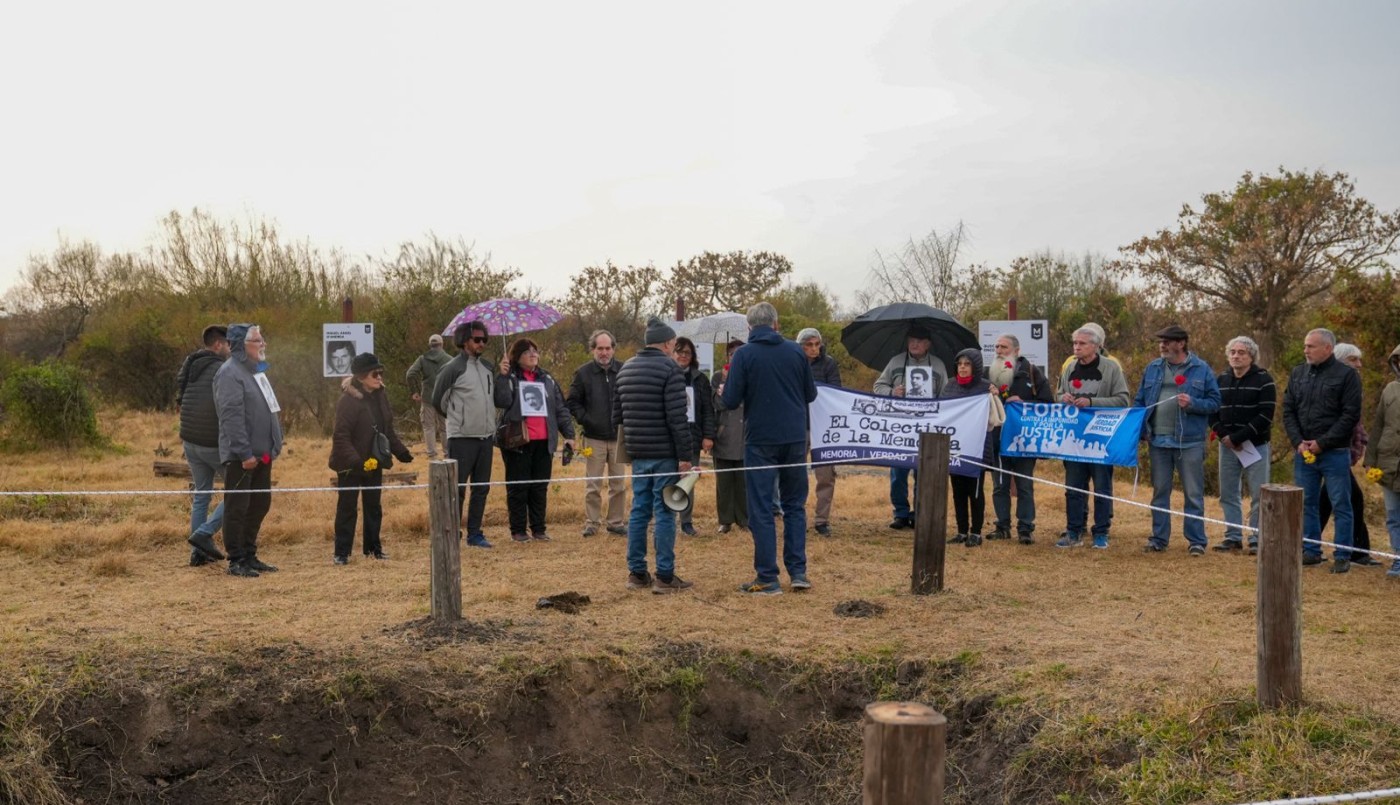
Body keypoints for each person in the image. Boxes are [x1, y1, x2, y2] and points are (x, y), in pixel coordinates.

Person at [721, 302, 818, 595]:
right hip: (794, 438)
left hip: (760, 440)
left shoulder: (744, 355)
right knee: (794, 505)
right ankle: (798, 571)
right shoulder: (795, 352)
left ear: (750, 327)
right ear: (775, 324)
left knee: (761, 508)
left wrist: (725, 389)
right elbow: (810, 394)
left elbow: (730, 400)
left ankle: (767, 577)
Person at [613, 317, 694, 593]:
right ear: (668, 343)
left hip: (637, 452)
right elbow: (677, 417)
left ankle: (636, 573)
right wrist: (685, 455)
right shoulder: (670, 369)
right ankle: (665, 576)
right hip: (664, 453)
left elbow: (617, 416)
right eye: (673, 344)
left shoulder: (625, 369)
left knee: (638, 511)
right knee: (665, 512)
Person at [1132, 325, 1221, 556]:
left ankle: (1196, 541)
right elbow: (1140, 402)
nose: (1162, 345)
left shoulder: (1201, 369)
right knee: (1160, 492)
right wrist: (1139, 431)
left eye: (1167, 341)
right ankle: (1158, 539)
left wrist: (1193, 403)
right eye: (1160, 341)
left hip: (1189, 442)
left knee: (1193, 493)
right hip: (1158, 441)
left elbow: (1215, 402)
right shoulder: (1152, 368)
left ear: (1181, 343)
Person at [1282, 328, 1363, 573]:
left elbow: (1350, 415)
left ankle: (1342, 555)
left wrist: (1322, 443)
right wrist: (1298, 441)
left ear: (1328, 348)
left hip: (1334, 452)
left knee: (1341, 503)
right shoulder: (1298, 373)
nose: (1305, 350)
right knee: (1307, 503)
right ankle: (1311, 550)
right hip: (1304, 451)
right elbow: (1288, 410)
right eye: (1305, 346)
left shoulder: (1347, 375)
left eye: (1311, 346)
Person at [213, 324, 283, 578]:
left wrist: (275, 443)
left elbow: (269, 409)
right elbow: (231, 417)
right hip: (242, 458)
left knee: (259, 504)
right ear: (241, 345)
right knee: (237, 507)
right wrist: (244, 454)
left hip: (263, 455)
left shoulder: (256, 371)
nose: (263, 343)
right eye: (257, 340)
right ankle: (237, 559)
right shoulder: (229, 373)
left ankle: (250, 554)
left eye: (262, 339)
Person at [329, 353, 413, 564]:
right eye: (375, 373)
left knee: (373, 506)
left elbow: (387, 430)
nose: (379, 377)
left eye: (381, 373)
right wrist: (357, 461)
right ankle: (342, 553)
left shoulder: (380, 396)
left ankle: (373, 548)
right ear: (361, 376)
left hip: (375, 461)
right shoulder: (347, 402)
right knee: (347, 508)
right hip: (349, 464)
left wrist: (400, 451)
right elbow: (341, 436)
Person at [1056, 325, 1131, 550]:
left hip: (1101, 439)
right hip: (1074, 439)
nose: (1076, 348)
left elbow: (1123, 400)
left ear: (1096, 346)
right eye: (1075, 343)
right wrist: (1064, 397)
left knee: (1102, 487)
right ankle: (1074, 531)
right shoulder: (1069, 368)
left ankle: (1101, 532)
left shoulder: (1111, 369)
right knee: (1074, 487)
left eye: (1082, 344)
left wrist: (1092, 402)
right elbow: (1057, 394)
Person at [495, 338, 575, 542]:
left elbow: (560, 408)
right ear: (517, 356)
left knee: (539, 486)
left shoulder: (547, 378)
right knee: (518, 487)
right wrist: (503, 378)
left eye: (535, 351)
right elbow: (501, 401)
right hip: (518, 441)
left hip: (544, 441)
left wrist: (569, 435)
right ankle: (518, 530)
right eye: (527, 351)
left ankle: (539, 528)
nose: (533, 354)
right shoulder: (511, 377)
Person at [873, 325, 948, 530]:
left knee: (923, 471)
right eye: (912, 340)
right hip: (899, 427)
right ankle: (900, 513)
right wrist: (892, 392)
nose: (915, 344)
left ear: (928, 344)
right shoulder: (896, 362)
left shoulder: (939, 365)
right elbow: (877, 386)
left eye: (920, 341)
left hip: (927, 427)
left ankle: (919, 512)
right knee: (898, 472)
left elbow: (946, 396)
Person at [432, 320, 497, 549]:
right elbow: (438, 400)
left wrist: (506, 375)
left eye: (484, 339)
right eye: (477, 339)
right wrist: (458, 418)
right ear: (464, 340)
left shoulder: (488, 367)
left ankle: (475, 534)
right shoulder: (452, 368)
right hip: (461, 438)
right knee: (457, 488)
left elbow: (497, 399)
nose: (481, 343)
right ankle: (452, 532)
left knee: (481, 488)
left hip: (486, 437)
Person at [1209, 336, 1276, 554]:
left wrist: (1239, 437)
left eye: (1242, 353)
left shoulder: (1264, 380)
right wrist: (1225, 436)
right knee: (1228, 493)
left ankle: (1257, 537)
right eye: (1233, 352)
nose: (1236, 356)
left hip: (1255, 446)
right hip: (1227, 447)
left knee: (1259, 494)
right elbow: (1212, 412)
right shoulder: (1220, 380)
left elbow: (1265, 415)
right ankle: (1233, 536)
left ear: (1251, 357)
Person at [987, 333, 1053, 544]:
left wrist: (1024, 402)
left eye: (1004, 347)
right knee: (999, 485)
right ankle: (1002, 526)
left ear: (1016, 351)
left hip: (1024, 440)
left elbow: (1048, 404)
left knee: (1024, 485)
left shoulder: (1033, 373)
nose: (999, 351)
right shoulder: (988, 374)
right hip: (997, 439)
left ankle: (1025, 528)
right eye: (996, 347)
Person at [566, 330, 629, 537]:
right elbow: (572, 402)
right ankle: (592, 522)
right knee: (593, 483)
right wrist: (586, 419)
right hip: (593, 437)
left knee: (618, 484)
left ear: (613, 349)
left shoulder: (624, 370)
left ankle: (615, 522)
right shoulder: (582, 373)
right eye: (600, 348)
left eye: (608, 348)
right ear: (593, 349)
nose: (604, 352)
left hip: (619, 436)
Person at [178, 325, 230, 567]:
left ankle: (198, 553)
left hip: (190, 441)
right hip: (212, 443)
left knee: (202, 494)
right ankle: (205, 533)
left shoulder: (190, 365)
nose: (231, 350)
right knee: (239, 491)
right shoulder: (221, 369)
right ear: (218, 345)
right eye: (229, 345)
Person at [1319, 344, 1375, 565]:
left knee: (1334, 499)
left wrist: (1365, 441)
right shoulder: (1332, 382)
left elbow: (1356, 421)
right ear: (1340, 359)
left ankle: (1357, 551)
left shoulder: (1353, 382)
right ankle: (1356, 552)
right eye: (1354, 359)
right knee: (1348, 499)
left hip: (1343, 449)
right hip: (1331, 448)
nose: (1359, 364)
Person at [941, 348, 997, 546]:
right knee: (957, 491)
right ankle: (962, 530)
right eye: (960, 364)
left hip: (977, 445)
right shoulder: (950, 385)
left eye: (967, 364)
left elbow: (995, 417)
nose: (962, 368)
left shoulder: (986, 387)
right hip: (956, 445)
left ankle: (976, 532)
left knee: (975, 490)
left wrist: (996, 396)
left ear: (976, 367)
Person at [1361, 343, 1400, 578]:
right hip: (1388, 464)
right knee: (1394, 516)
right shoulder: (1390, 390)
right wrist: (1370, 458)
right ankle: (1398, 558)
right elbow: (1378, 426)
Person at [798, 328, 842, 537]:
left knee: (825, 475)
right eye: (809, 344)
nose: (814, 348)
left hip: (823, 425)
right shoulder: (793, 362)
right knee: (794, 473)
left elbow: (836, 392)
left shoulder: (829, 363)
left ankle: (822, 520)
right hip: (798, 424)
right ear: (801, 346)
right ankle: (795, 515)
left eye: (817, 344)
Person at [671, 337, 716, 536]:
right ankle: (667, 519)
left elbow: (708, 410)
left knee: (688, 481)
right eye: (679, 351)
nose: (682, 355)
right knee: (668, 480)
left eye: (687, 352)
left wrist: (708, 435)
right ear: (672, 353)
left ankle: (686, 521)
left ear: (692, 356)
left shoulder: (700, 379)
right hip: (667, 437)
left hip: (691, 437)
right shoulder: (665, 374)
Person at [711, 339, 749, 534]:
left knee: (743, 481)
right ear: (728, 356)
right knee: (724, 482)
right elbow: (719, 404)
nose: (735, 356)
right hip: (724, 434)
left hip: (746, 434)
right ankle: (725, 520)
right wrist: (726, 382)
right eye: (732, 353)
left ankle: (744, 518)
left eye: (739, 353)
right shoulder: (718, 376)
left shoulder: (751, 373)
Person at [405, 334, 452, 459]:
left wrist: (414, 391)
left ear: (430, 345)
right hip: (444, 399)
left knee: (429, 426)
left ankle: (432, 455)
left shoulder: (422, 359)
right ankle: (448, 454)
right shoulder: (450, 359)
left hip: (427, 398)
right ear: (442, 344)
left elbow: (410, 374)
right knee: (445, 428)